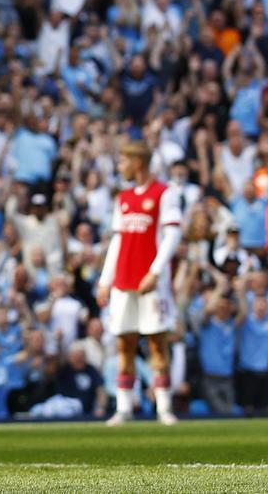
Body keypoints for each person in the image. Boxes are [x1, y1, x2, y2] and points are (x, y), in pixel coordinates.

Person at [98, 141, 182, 426]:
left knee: (157, 342)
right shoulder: (123, 198)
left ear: (138, 162)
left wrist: (156, 272)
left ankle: (164, 407)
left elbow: (172, 236)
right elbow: (117, 240)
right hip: (123, 280)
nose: (120, 166)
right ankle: (123, 407)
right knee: (125, 343)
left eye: (123, 161)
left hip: (151, 282)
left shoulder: (164, 193)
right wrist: (104, 280)